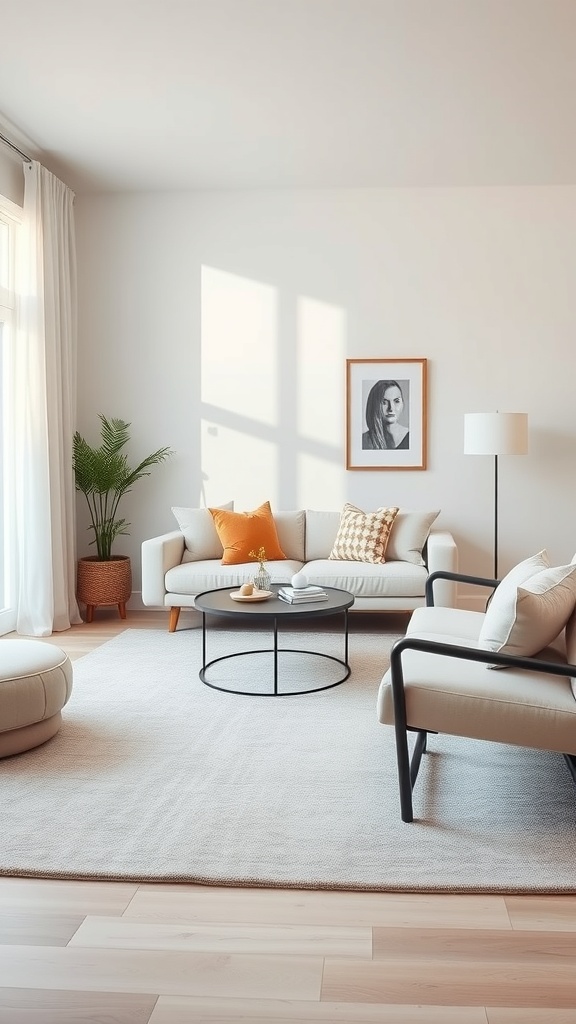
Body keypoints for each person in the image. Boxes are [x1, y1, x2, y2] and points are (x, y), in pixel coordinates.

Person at [362, 379, 410, 450]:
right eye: (384, 402)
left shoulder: (412, 437)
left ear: (402, 403)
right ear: (374, 405)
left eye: (396, 401)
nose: (391, 408)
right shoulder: (364, 441)